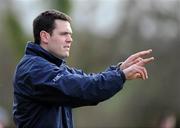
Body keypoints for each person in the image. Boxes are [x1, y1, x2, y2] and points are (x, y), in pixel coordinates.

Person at [13, 9, 154, 128]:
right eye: (64, 34)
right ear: (45, 36)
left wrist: (119, 69)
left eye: (70, 34)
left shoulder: (54, 67)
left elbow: (86, 80)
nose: (70, 39)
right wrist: (121, 76)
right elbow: (84, 87)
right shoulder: (34, 69)